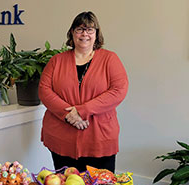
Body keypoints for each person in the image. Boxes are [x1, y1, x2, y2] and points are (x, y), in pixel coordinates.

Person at [38, 11, 128, 173]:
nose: (84, 34)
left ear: (96, 34)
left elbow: (119, 90)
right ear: (72, 33)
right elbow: (44, 90)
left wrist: (81, 111)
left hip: (99, 136)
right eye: (79, 29)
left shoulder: (110, 59)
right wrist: (68, 115)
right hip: (61, 136)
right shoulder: (56, 60)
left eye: (90, 29)